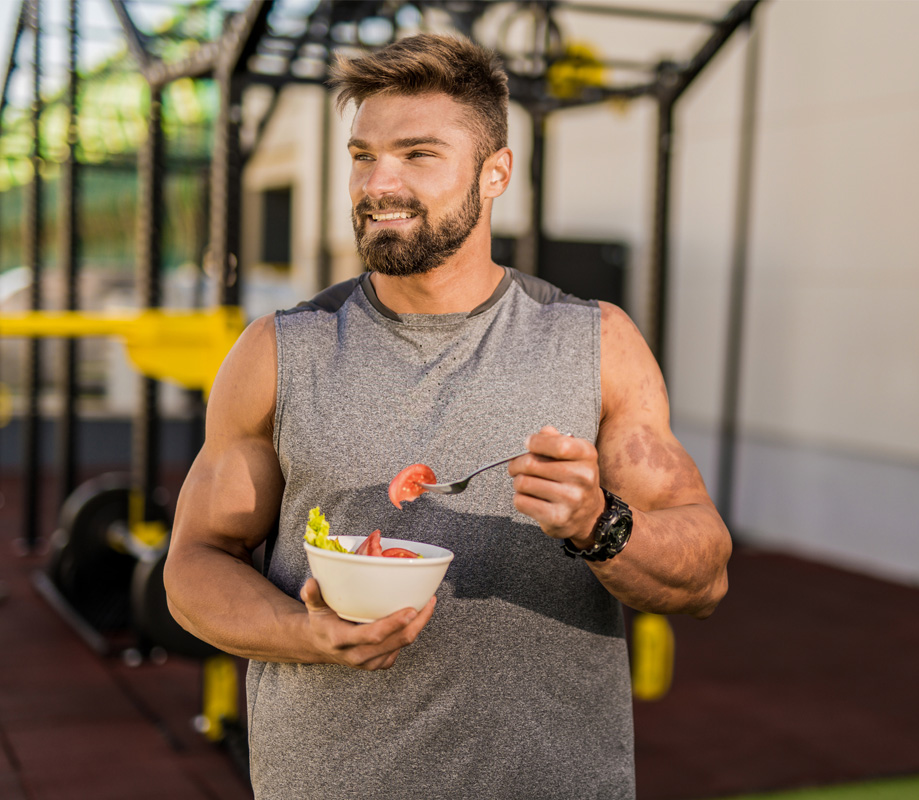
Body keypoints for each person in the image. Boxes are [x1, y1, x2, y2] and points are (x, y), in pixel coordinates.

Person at [165, 32, 731, 800]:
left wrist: (601, 524)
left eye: (418, 154)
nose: (379, 183)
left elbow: (705, 573)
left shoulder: (597, 343)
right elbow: (193, 566)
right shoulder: (277, 352)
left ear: (495, 172)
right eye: (363, 155)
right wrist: (307, 635)